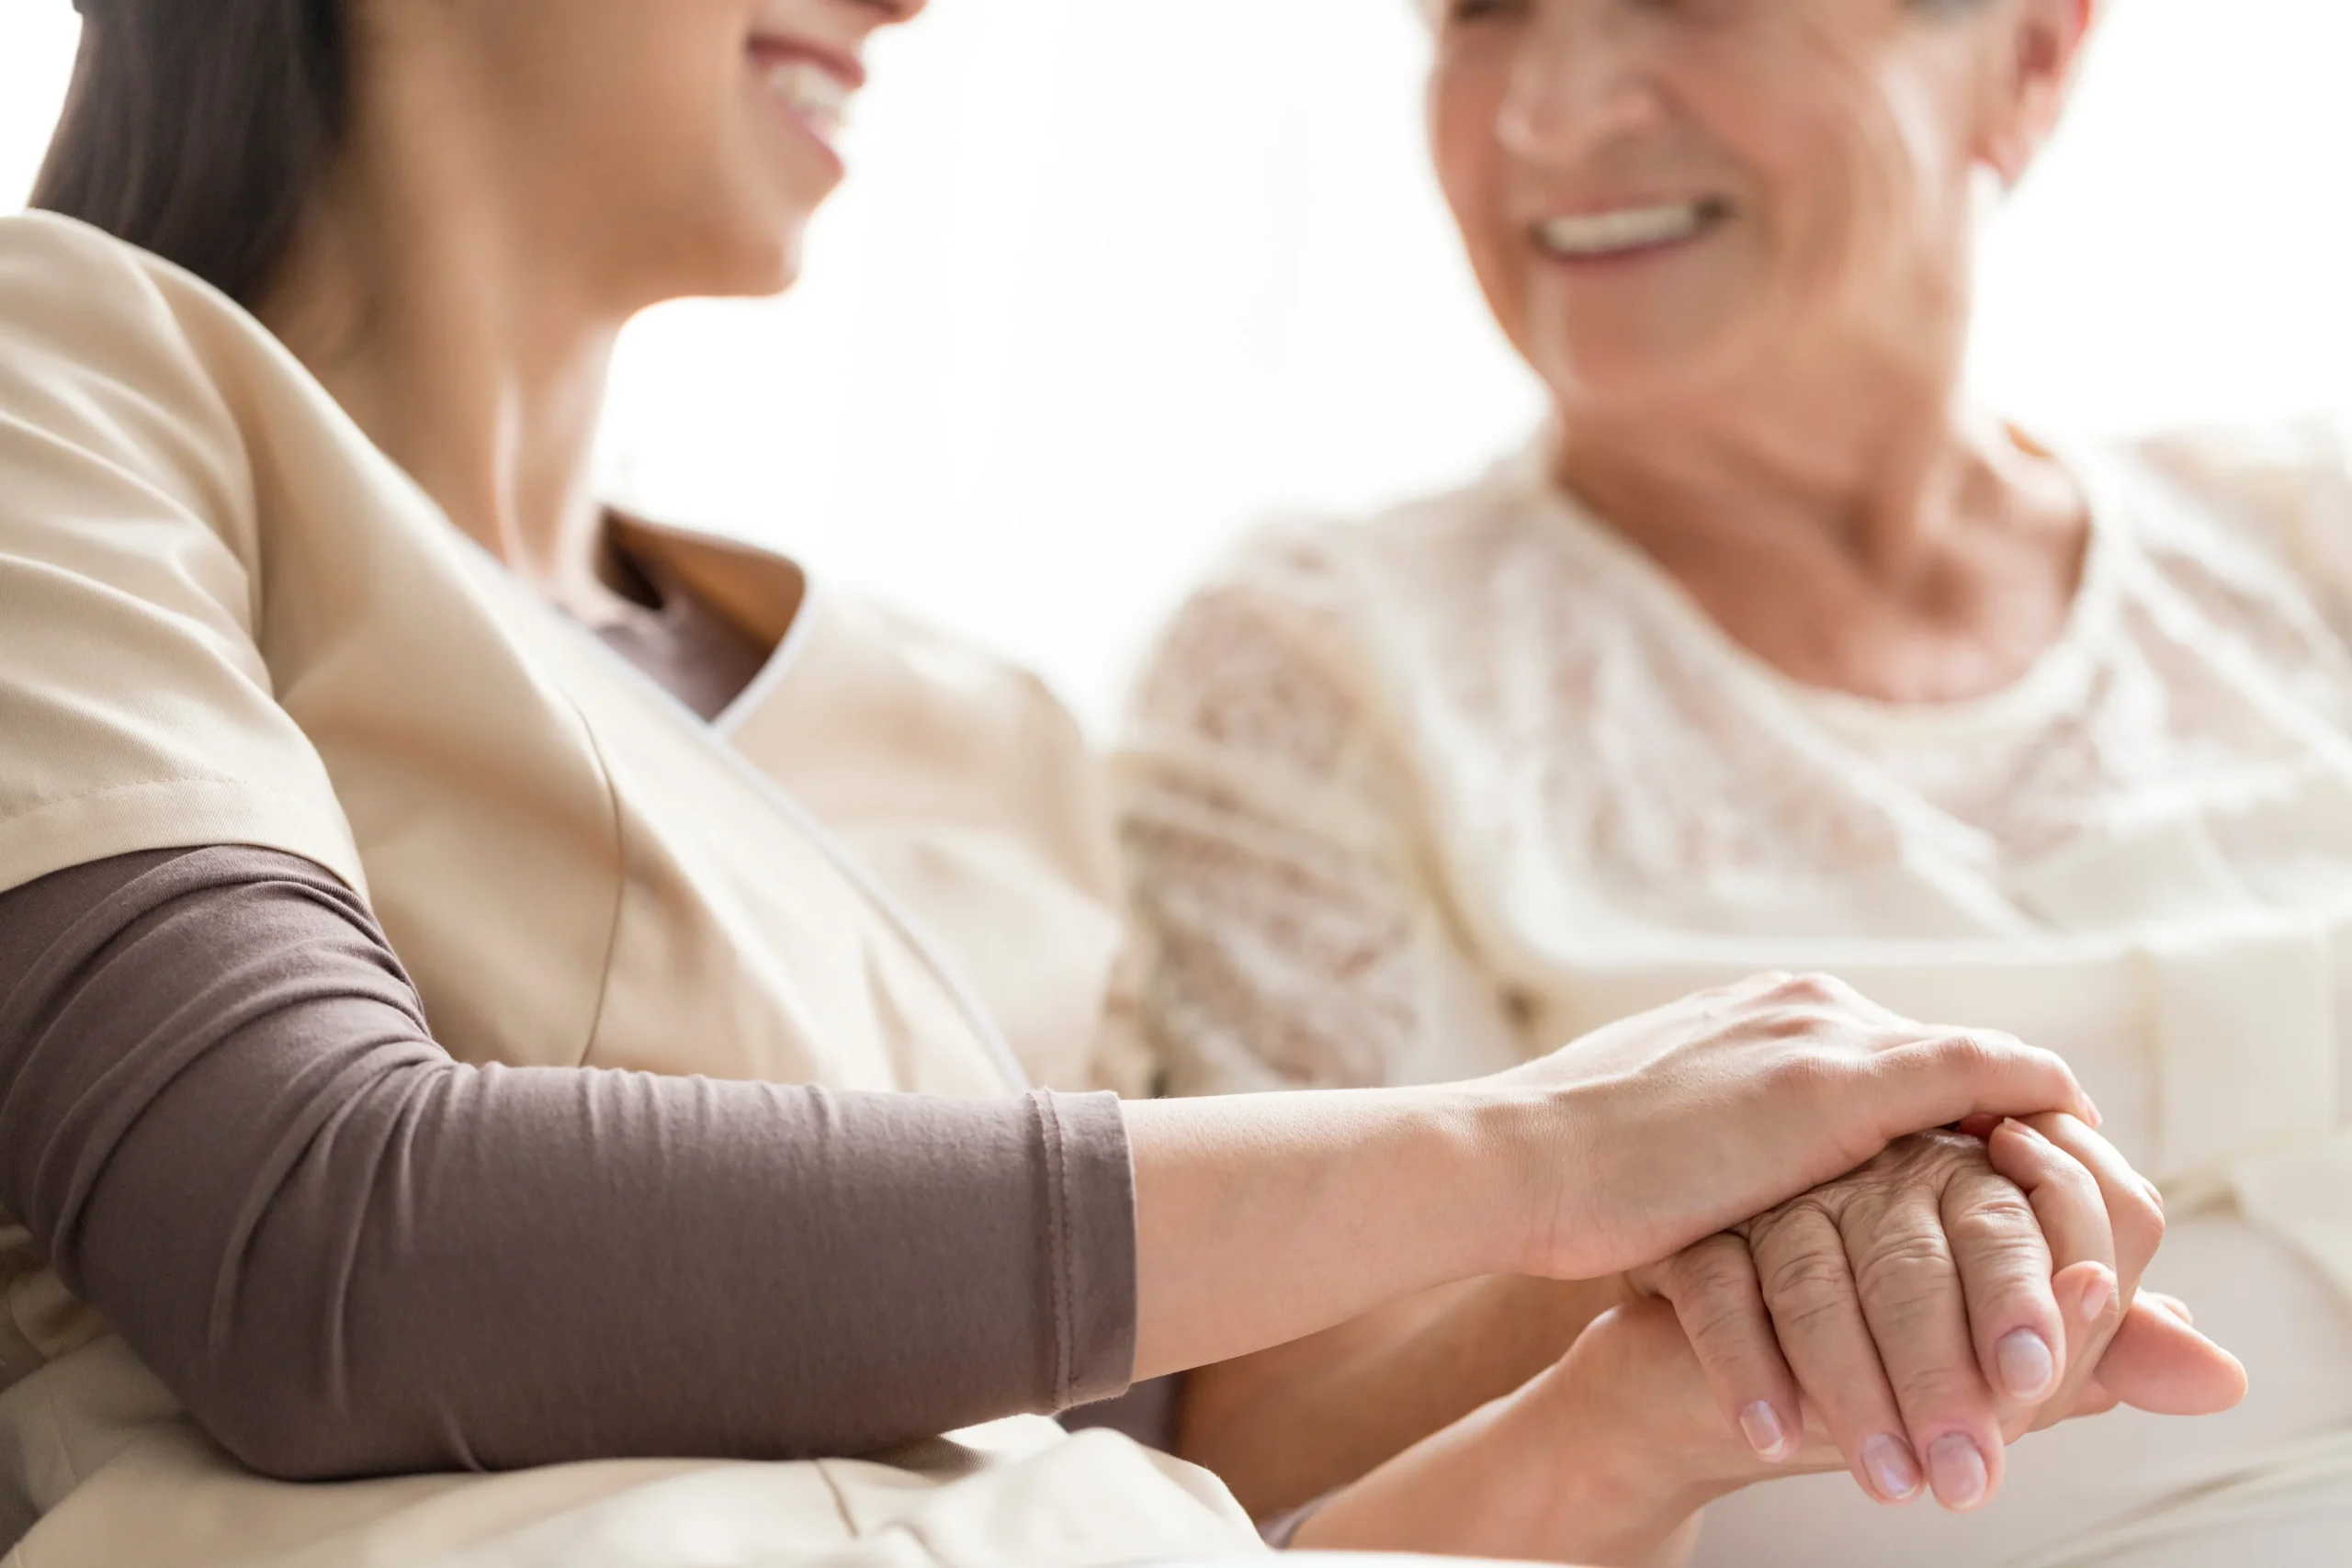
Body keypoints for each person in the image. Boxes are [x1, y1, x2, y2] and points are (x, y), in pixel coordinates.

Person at [0, 1, 2229, 1565]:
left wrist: (1649, 1396)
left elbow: (1196, 1530)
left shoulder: (982, 744)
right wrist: (1546, 1151)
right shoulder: (66, 390)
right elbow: (318, 1250)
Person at [1117, 0, 2335, 1562]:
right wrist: (1703, 1222)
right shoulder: (1318, 671)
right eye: (1479, 12)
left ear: (2029, 53)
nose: (1552, 116)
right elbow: (1255, 1487)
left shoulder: (2308, 539)